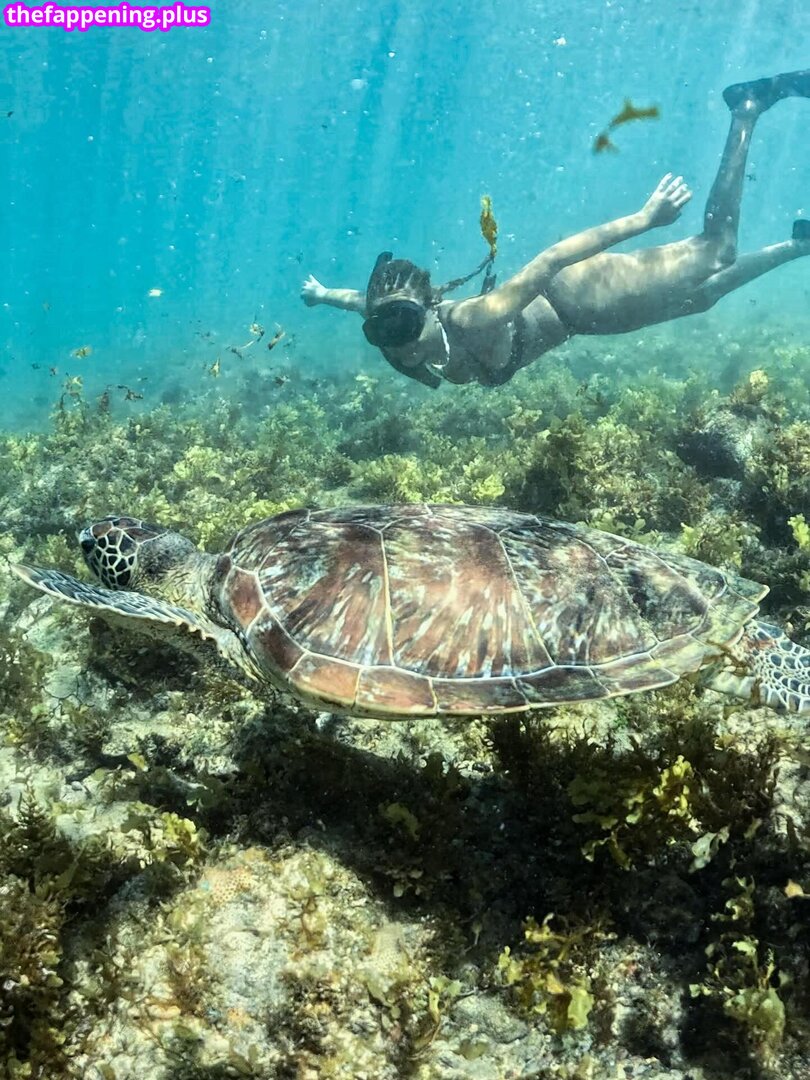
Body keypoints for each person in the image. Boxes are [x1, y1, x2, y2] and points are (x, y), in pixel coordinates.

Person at [301, 70, 810, 389]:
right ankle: (799, 243)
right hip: (583, 322)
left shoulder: (478, 317)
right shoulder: (390, 326)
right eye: (381, 331)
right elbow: (357, 301)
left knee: (716, 252)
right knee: (703, 297)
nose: (398, 342)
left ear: (431, 307)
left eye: (404, 325)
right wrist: (322, 294)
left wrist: (644, 219)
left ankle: (746, 108)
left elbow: (551, 260)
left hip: (577, 297)